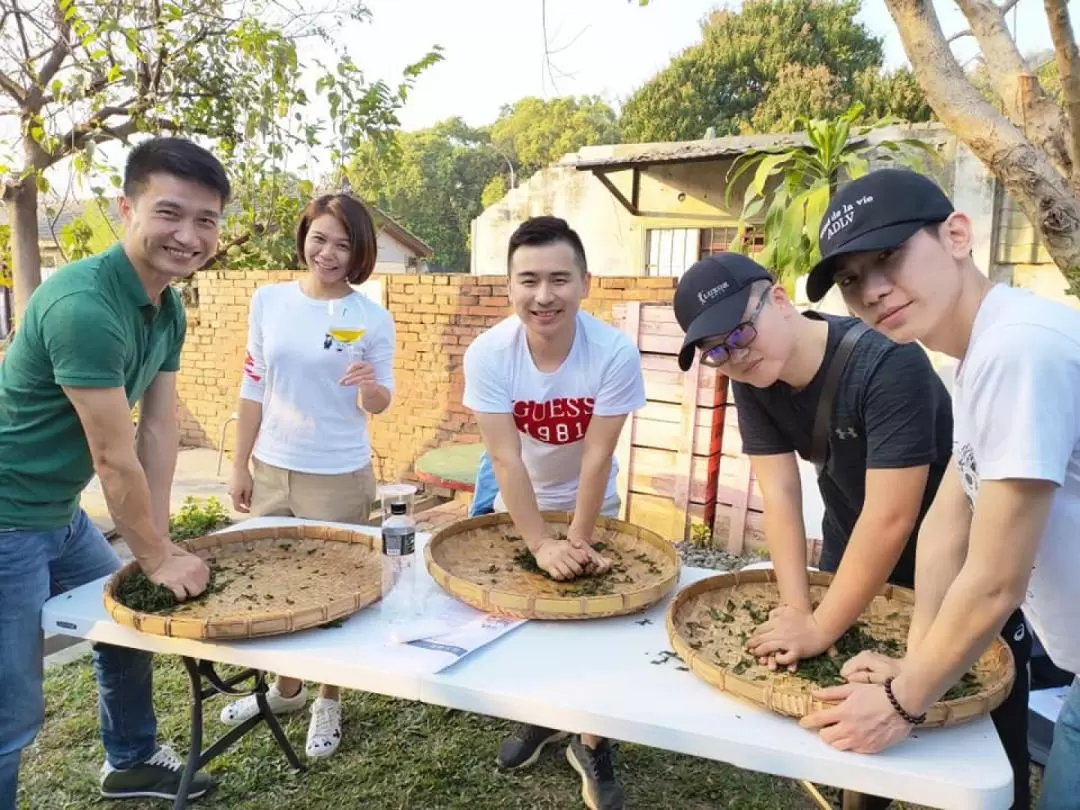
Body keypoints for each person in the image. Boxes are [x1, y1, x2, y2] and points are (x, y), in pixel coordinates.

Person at [672, 251, 1032, 809]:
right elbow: (781, 497)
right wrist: (799, 608)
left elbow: (892, 517)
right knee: (856, 711)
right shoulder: (750, 375)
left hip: (957, 558)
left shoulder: (888, 362)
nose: (734, 356)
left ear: (781, 299)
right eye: (715, 351)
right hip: (851, 548)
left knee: (983, 716)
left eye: (739, 333)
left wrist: (818, 628)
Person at [797, 167, 1078, 810]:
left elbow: (993, 578)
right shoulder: (980, 356)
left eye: (889, 257)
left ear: (956, 234)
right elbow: (946, 526)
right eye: (849, 280)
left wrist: (900, 704)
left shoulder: (1019, 350)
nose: (871, 291)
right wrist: (914, 660)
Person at [0, 136, 226, 805]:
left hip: (61, 515)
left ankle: (128, 760)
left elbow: (158, 428)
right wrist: (154, 559)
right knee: (10, 708)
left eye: (206, 220)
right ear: (127, 208)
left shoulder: (168, 306)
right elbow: (112, 452)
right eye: (170, 212)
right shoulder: (83, 306)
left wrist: (158, 537)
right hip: (7, 520)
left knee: (126, 621)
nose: (188, 235)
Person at [462, 216, 646, 810]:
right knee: (523, 623)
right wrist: (541, 544)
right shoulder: (489, 353)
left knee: (593, 622)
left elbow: (597, 457)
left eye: (560, 279)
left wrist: (580, 542)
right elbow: (505, 460)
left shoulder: (614, 351)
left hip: (592, 502)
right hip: (518, 508)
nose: (544, 296)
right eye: (529, 280)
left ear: (586, 283)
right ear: (509, 285)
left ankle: (591, 740)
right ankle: (539, 716)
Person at [221, 192, 395, 758]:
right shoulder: (268, 301)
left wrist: (369, 385)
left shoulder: (370, 317)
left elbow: (380, 401)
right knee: (273, 587)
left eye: (343, 244)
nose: (328, 252)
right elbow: (253, 387)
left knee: (336, 594)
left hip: (339, 474)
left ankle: (328, 698)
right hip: (273, 467)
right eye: (319, 238)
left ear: (359, 252)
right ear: (303, 238)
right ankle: (286, 688)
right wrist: (239, 464)